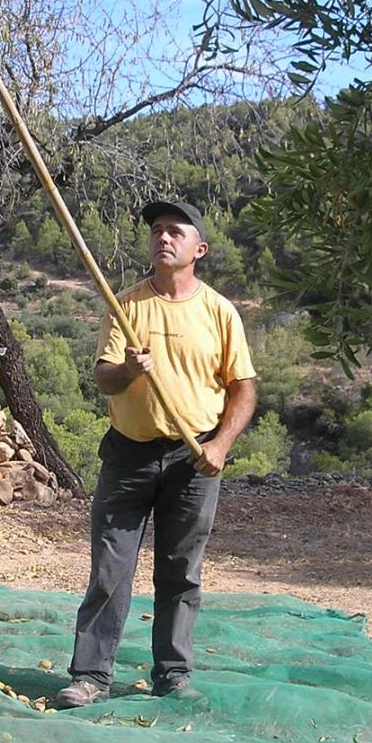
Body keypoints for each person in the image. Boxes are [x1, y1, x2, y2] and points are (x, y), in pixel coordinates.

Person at [55, 199, 256, 708]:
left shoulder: (219, 312)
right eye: (157, 232)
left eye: (175, 232)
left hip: (194, 461)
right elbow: (104, 378)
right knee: (109, 568)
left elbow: (243, 389)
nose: (163, 238)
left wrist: (221, 445)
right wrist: (127, 371)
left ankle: (172, 673)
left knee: (181, 569)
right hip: (128, 457)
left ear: (199, 249)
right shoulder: (124, 305)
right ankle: (91, 677)